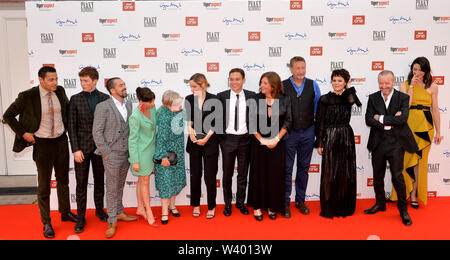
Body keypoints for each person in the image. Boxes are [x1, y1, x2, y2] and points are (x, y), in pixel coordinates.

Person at [2, 66, 78, 239]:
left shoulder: (60, 91)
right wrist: (24, 133)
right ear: (41, 80)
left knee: (63, 181)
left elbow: (66, 110)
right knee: (44, 185)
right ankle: (46, 222)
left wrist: (66, 127)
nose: (55, 82)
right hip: (42, 144)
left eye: (56, 79)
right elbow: (8, 115)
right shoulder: (27, 96)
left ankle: (65, 212)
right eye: (51, 79)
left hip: (60, 142)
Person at [364, 70, 418, 226]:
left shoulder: (403, 97)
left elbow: (402, 119)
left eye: (387, 83)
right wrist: (391, 120)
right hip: (378, 142)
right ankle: (380, 203)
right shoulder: (373, 98)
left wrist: (380, 118)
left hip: (396, 143)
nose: (384, 86)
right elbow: (368, 119)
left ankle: (403, 209)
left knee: (397, 177)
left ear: (393, 82)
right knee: (378, 175)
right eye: (381, 83)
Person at [390, 57, 443, 209]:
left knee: (420, 163)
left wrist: (439, 131)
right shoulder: (404, 85)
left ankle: (414, 195)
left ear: (426, 70)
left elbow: (436, 109)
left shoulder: (433, 87)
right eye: (414, 69)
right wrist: (412, 87)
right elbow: (406, 105)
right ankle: (402, 194)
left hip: (426, 128)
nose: (417, 72)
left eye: (420, 69)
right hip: (408, 127)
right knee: (406, 161)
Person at [92, 77, 137, 238]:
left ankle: (119, 212)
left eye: (124, 84)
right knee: (111, 188)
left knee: (119, 185)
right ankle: (112, 221)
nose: (124, 87)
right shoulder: (103, 107)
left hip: (126, 153)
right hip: (111, 154)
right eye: (121, 85)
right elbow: (96, 132)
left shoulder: (129, 104)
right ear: (112, 90)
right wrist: (106, 152)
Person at [68, 67, 110, 234]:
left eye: (85, 80)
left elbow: (109, 126)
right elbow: (71, 126)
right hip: (82, 149)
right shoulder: (75, 99)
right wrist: (75, 149)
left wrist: (106, 147)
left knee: (100, 181)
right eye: (81, 81)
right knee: (81, 184)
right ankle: (81, 217)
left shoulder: (105, 98)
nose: (82, 83)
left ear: (95, 80)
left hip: (101, 148)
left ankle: (100, 210)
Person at [315, 69, 362, 219]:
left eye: (340, 81)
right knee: (330, 172)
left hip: (346, 137)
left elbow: (353, 102)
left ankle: (344, 205)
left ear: (346, 82)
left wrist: (349, 87)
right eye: (334, 80)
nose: (336, 83)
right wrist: (320, 141)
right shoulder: (324, 99)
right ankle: (330, 205)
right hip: (329, 136)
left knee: (345, 171)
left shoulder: (348, 97)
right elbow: (320, 122)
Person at [248, 72, 292, 221]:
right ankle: (257, 207)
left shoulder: (284, 99)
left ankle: (273, 206)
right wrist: (263, 140)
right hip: (258, 143)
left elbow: (288, 121)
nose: (262, 85)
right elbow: (251, 122)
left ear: (274, 84)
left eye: (265, 83)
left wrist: (276, 139)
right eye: (261, 82)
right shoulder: (256, 98)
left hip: (278, 144)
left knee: (275, 175)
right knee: (258, 174)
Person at [282, 56, 321, 218]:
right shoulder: (283, 85)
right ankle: (285, 202)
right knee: (287, 169)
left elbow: (319, 109)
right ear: (291, 69)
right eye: (297, 68)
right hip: (289, 134)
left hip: (308, 132)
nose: (300, 71)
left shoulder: (313, 85)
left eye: (303, 67)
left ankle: (300, 200)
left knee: (304, 168)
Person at [217, 68, 256, 216]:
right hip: (227, 140)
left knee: (243, 174)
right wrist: (222, 140)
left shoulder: (252, 96)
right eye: (231, 79)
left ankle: (240, 203)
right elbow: (215, 118)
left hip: (245, 140)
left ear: (243, 80)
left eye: (237, 79)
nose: (234, 82)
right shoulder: (221, 96)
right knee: (227, 174)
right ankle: (228, 204)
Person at [185, 73, 221, 219]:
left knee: (210, 176)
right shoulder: (188, 99)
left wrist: (206, 138)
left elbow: (217, 122)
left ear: (203, 84)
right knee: (195, 175)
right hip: (194, 143)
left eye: (194, 86)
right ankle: (196, 205)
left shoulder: (215, 99)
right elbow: (189, 120)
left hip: (210, 142)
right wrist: (190, 131)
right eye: (191, 87)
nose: (192, 89)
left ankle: (211, 206)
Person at [154, 90, 186, 225]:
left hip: (178, 151)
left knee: (176, 181)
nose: (180, 104)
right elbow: (160, 139)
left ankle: (172, 206)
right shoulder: (163, 116)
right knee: (165, 183)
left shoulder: (180, 112)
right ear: (167, 104)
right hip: (165, 153)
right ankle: (164, 212)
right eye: (176, 103)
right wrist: (163, 158)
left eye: (180, 102)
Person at [128, 87, 159, 228]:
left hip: (151, 151)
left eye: (153, 100)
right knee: (144, 181)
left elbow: (156, 118)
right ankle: (149, 212)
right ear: (141, 101)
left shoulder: (152, 108)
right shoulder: (135, 116)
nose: (153, 103)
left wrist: (163, 107)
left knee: (142, 181)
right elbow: (132, 140)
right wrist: (134, 160)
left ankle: (140, 208)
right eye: (150, 101)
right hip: (141, 154)